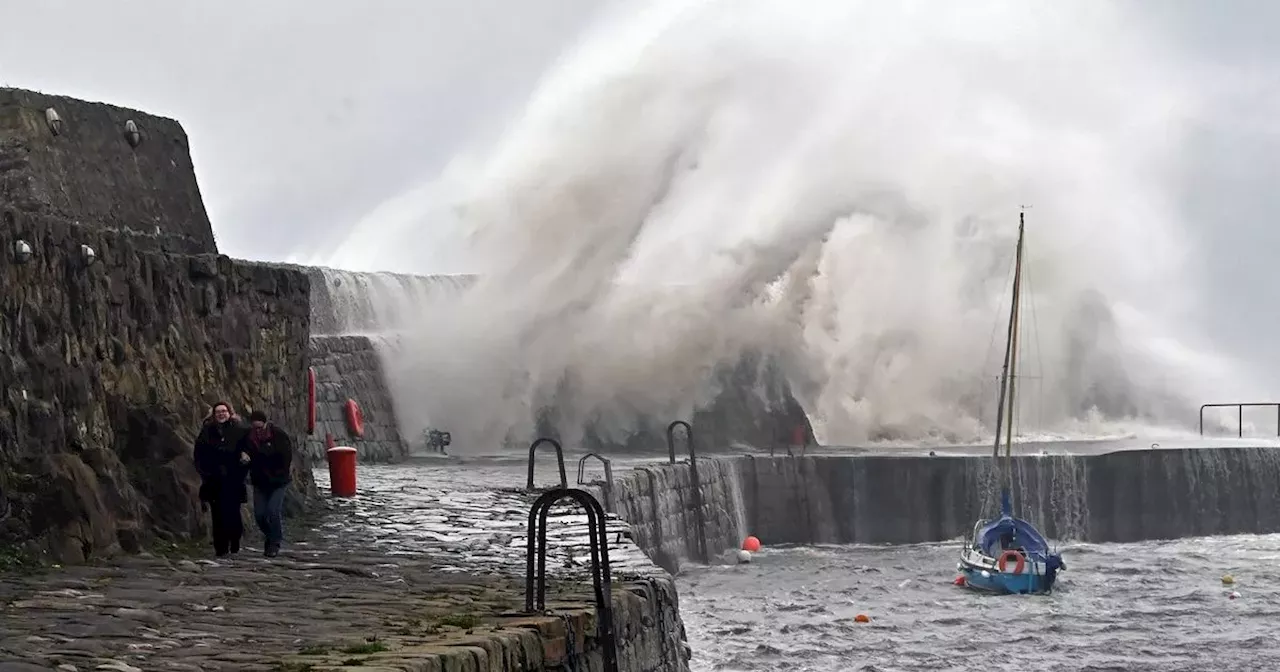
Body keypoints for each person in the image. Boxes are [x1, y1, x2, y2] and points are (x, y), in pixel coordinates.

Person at [193, 402, 250, 557]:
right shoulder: (207, 431)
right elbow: (199, 454)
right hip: (213, 480)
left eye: (224, 411)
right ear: (214, 415)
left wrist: (243, 461)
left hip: (234, 479)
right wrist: (204, 472)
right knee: (217, 515)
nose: (221, 414)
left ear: (229, 413)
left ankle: (235, 541)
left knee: (233, 513)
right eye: (218, 412)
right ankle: (221, 547)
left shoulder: (239, 430)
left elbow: (248, 450)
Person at [241, 409, 294, 557]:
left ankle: (275, 542)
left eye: (260, 427)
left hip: (278, 482)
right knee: (259, 515)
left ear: (265, 424)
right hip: (259, 482)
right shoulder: (249, 437)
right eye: (255, 427)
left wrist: (278, 473)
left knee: (272, 511)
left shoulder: (278, 435)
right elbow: (244, 451)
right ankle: (269, 536)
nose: (257, 430)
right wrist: (245, 457)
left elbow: (286, 457)